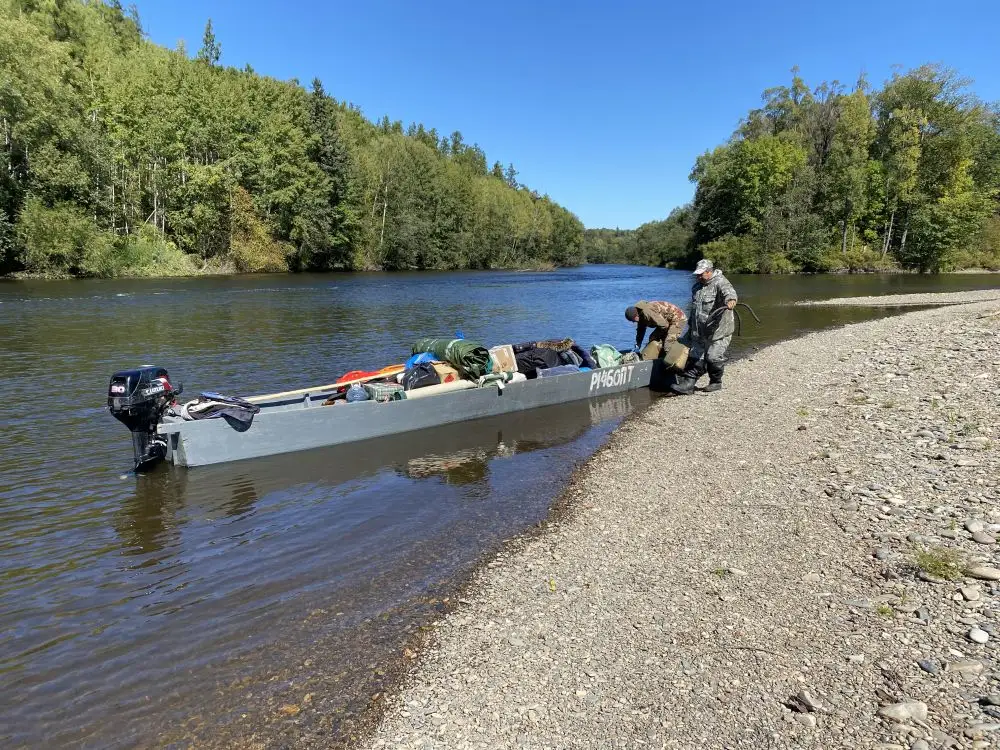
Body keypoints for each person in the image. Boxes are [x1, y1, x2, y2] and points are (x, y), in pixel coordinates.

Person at [670, 259, 737, 394]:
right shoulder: (696, 287)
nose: (698, 276)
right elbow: (695, 310)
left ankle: (715, 382)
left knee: (712, 357)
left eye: (701, 274)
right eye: (697, 274)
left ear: (709, 272)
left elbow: (729, 292)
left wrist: (731, 301)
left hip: (719, 331)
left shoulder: (720, 282)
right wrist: (690, 329)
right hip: (699, 330)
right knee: (696, 356)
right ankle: (688, 385)